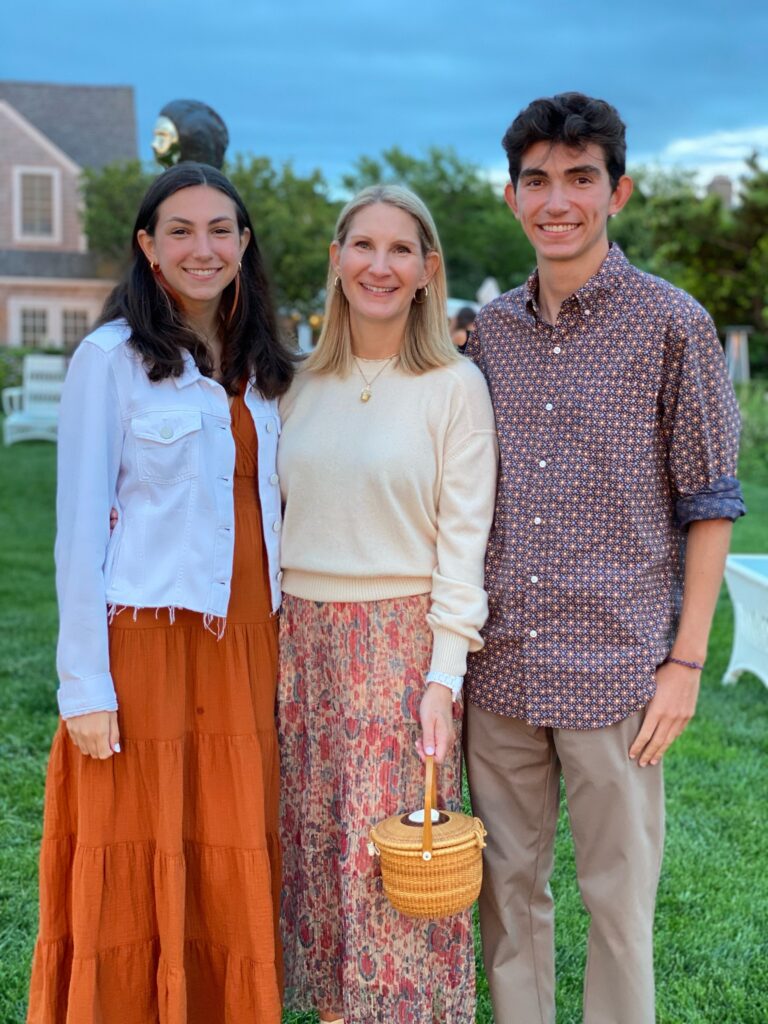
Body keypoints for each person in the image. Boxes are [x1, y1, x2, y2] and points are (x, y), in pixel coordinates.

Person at [463, 92, 746, 1024]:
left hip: (618, 674)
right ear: (511, 197)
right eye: (537, 180)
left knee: (618, 910)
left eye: (580, 179)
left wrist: (686, 662)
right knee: (510, 902)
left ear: (617, 192)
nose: (558, 200)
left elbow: (710, 504)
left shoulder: (675, 326)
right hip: (498, 670)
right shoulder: (488, 335)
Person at [27, 162, 294, 1024]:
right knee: (136, 852)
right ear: (147, 247)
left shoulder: (268, 367)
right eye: (179, 230)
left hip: (251, 643)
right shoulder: (109, 362)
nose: (202, 247)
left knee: (231, 853)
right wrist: (85, 687)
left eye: (221, 229)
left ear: (244, 243)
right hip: (147, 645)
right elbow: (78, 531)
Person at [276, 185, 498, 1024]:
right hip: (301, 647)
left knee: (395, 868)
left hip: (400, 650)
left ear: (427, 271)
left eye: (400, 249)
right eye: (362, 246)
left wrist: (444, 675)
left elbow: (462, 542)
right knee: (318, 857)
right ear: (335, 262)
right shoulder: (293, 385)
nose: (379, 264)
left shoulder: (454, 386)